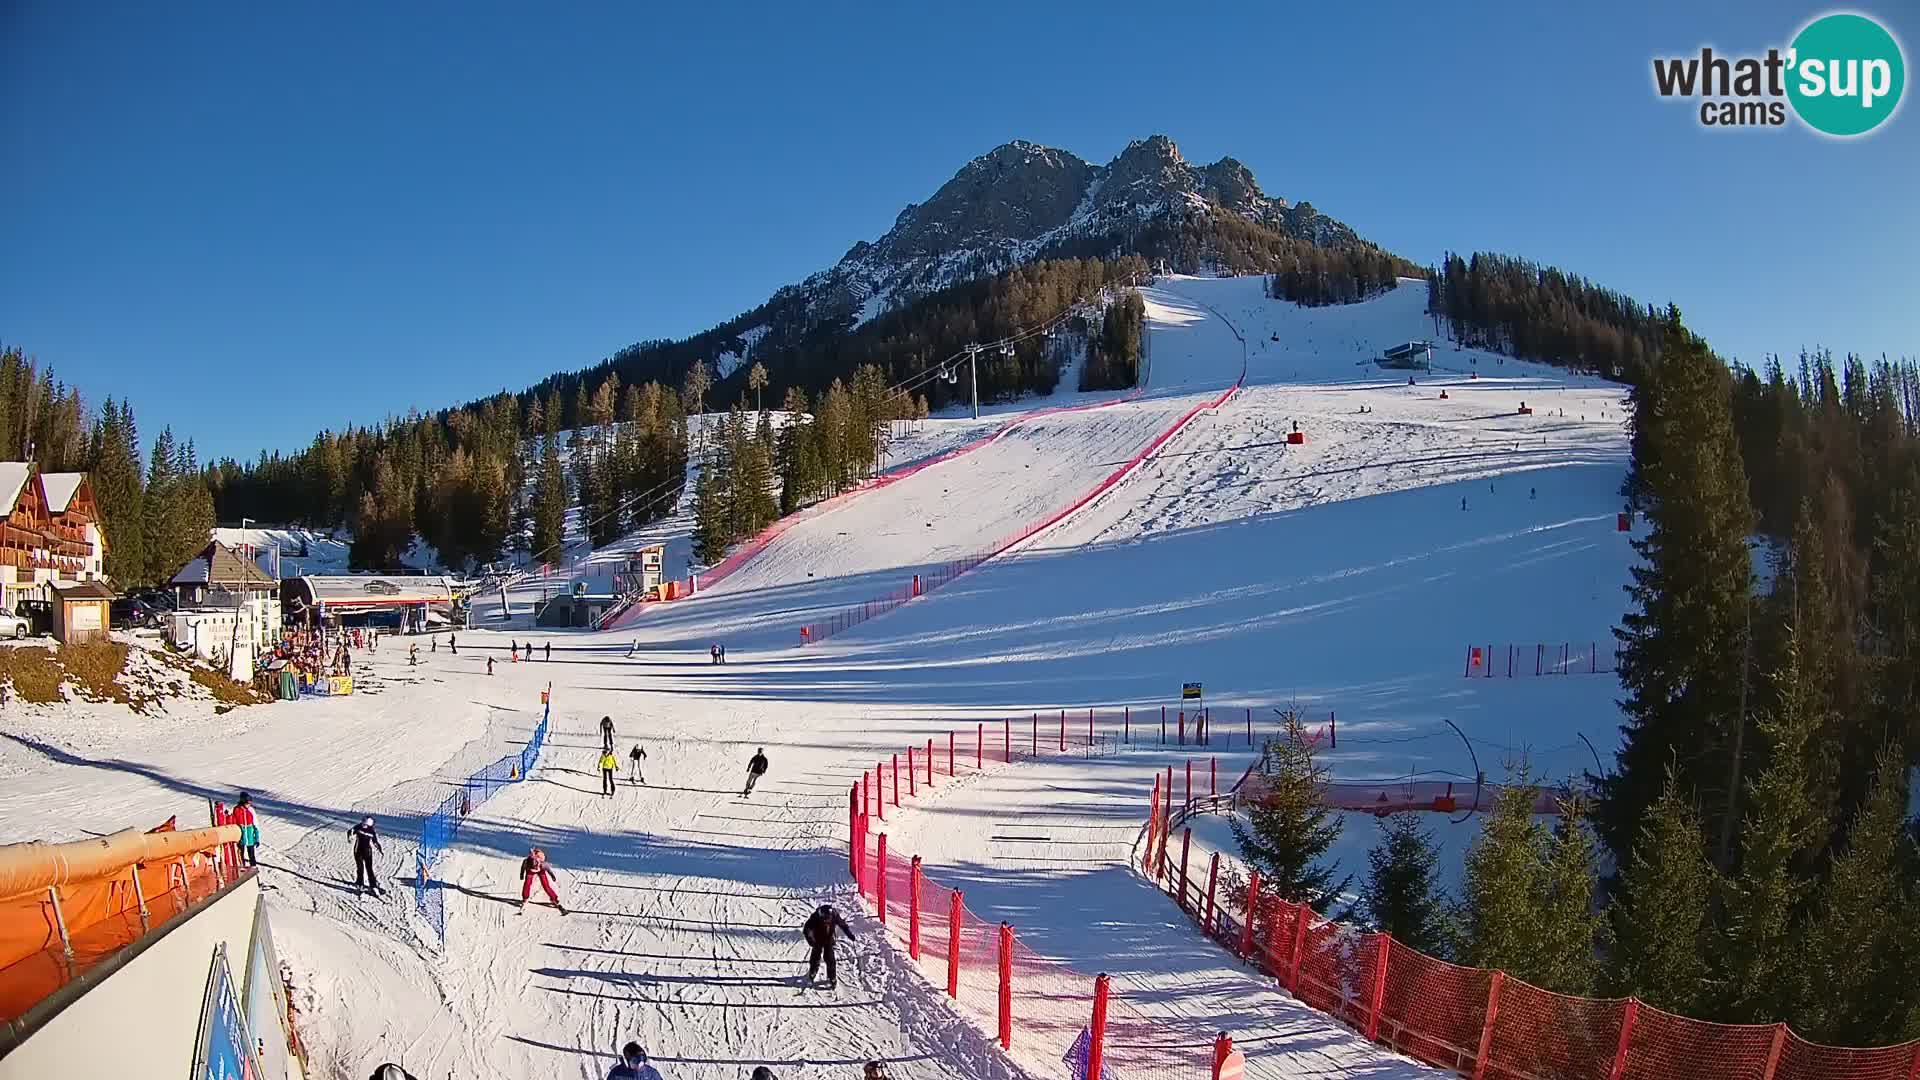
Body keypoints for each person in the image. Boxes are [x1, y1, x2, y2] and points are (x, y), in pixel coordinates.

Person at [801, 903, 855, 988]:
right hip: (817, 938)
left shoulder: (834, 915)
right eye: (824, 920)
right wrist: (811, 941)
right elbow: (806, 929)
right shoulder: (815, 917)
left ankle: (832, 976)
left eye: (828, 920)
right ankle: (813, 971)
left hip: (829, 939)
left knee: (830, 959)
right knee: (815, 956)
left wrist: (849, 934)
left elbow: (842, 925)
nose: (826, 922)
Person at [519, 847, 566, 913]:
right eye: (533, 868)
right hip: (530, 872)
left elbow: (549, 870)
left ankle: (554, 898)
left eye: (535, 868)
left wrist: (552, 876)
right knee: (527, 883)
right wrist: (522, 875)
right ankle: (525, 898)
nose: (535, 870)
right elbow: (522, 868)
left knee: (545, 885)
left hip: (541, 871)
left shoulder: (543, 864)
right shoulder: (526, 862)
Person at [349, 816, 383, 896]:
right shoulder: (358, 827)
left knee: (369, 868)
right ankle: (360, 883)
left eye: (366, 825)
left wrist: (379, 848)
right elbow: (350, 832)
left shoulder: (371, 830)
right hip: (358, 850)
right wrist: (350, 836)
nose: (364, 826)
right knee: (360, 867)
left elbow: (375, 841)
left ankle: (373, 885)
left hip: (367, 851)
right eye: (364, 823)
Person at [232, 793, 259, 867]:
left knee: (251, 854)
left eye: (250, 803)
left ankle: (253, 867)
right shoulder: (237, 810)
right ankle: (242, 867)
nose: (249, 805)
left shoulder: (251, 810)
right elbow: (233, 822)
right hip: (241, 836)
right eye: (247, 803)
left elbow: (255, 824)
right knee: (240, 854)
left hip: (250, 837)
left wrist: (257, 838)